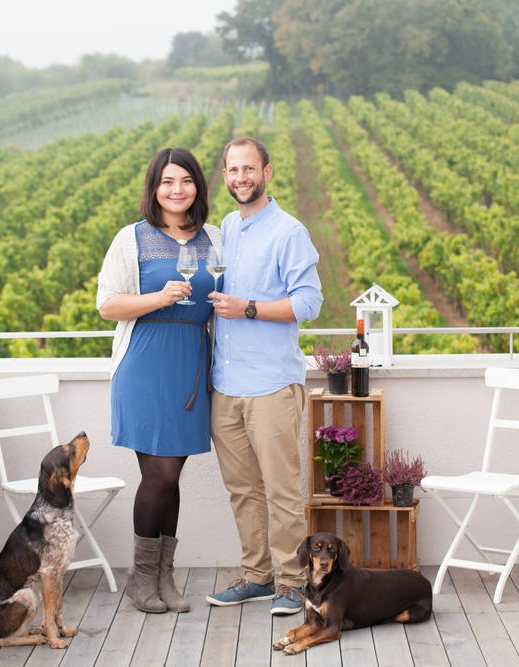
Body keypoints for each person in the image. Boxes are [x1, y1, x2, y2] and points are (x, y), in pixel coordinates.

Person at [97, 147, 222, 613]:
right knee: (160, 473)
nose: (176, 190)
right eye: (167, 181)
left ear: (197, 187)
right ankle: (142, 577)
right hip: (145, 364)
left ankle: (165, 578)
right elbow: (107, 305)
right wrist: (157, 297)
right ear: (154, 188)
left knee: (172, 479)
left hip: (190, 365)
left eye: (185, 180)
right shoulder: (130, 238)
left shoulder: (216, 239)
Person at [205, 137, 323, 615]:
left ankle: (293, 584)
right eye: (233, 170)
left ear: (267, 172)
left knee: (280, 490)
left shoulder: (289, 231)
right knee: (243, 490)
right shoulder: (226, 229)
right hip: (226, 386)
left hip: (272, 384)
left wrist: (248, 308)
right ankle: (257, 576)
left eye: (249, 169)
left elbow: (309, 303)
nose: (240, 178)